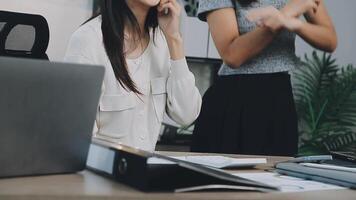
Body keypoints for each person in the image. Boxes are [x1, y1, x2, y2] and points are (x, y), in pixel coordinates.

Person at [192, 0, 337, 156]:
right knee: (222, 177)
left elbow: (330, 40)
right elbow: (232, 55)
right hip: (234, 102)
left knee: (275, 176)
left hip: (279, 98)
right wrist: (283, 15)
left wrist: (294, 23)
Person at [64, 0, 202, 151]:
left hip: (144, 171)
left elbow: (187, 114)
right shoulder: (88, 40)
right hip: (101, 172)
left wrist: (174, 39)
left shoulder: (162, 40)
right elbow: (78, 141)